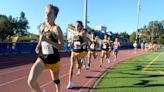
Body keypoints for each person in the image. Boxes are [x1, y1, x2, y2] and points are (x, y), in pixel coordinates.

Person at [27, 4, 64, 92]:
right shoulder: (43, 26)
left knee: (55, 80)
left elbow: (62, 47)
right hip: (43, 59)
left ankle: (58, 89)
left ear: (55, 16)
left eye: (50, 14)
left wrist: (48, 41)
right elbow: (41, 36)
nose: (47, 16)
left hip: (54, 60)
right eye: (46, 13)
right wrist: (38, 45)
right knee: (31, 81)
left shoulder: (57, 29)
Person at [67, 21, 87, 89]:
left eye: (78, 25)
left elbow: (86, 42)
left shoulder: (82, 33)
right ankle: (70, 82)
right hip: (74, 52)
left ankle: (82, 62)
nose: (76, 27)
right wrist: (70, 44)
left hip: (80, 52)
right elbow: (72, 42)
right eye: (76, 25)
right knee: (71, 66)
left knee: (78, 65)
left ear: (81, 26)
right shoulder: (74, 34)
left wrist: (80, 45)